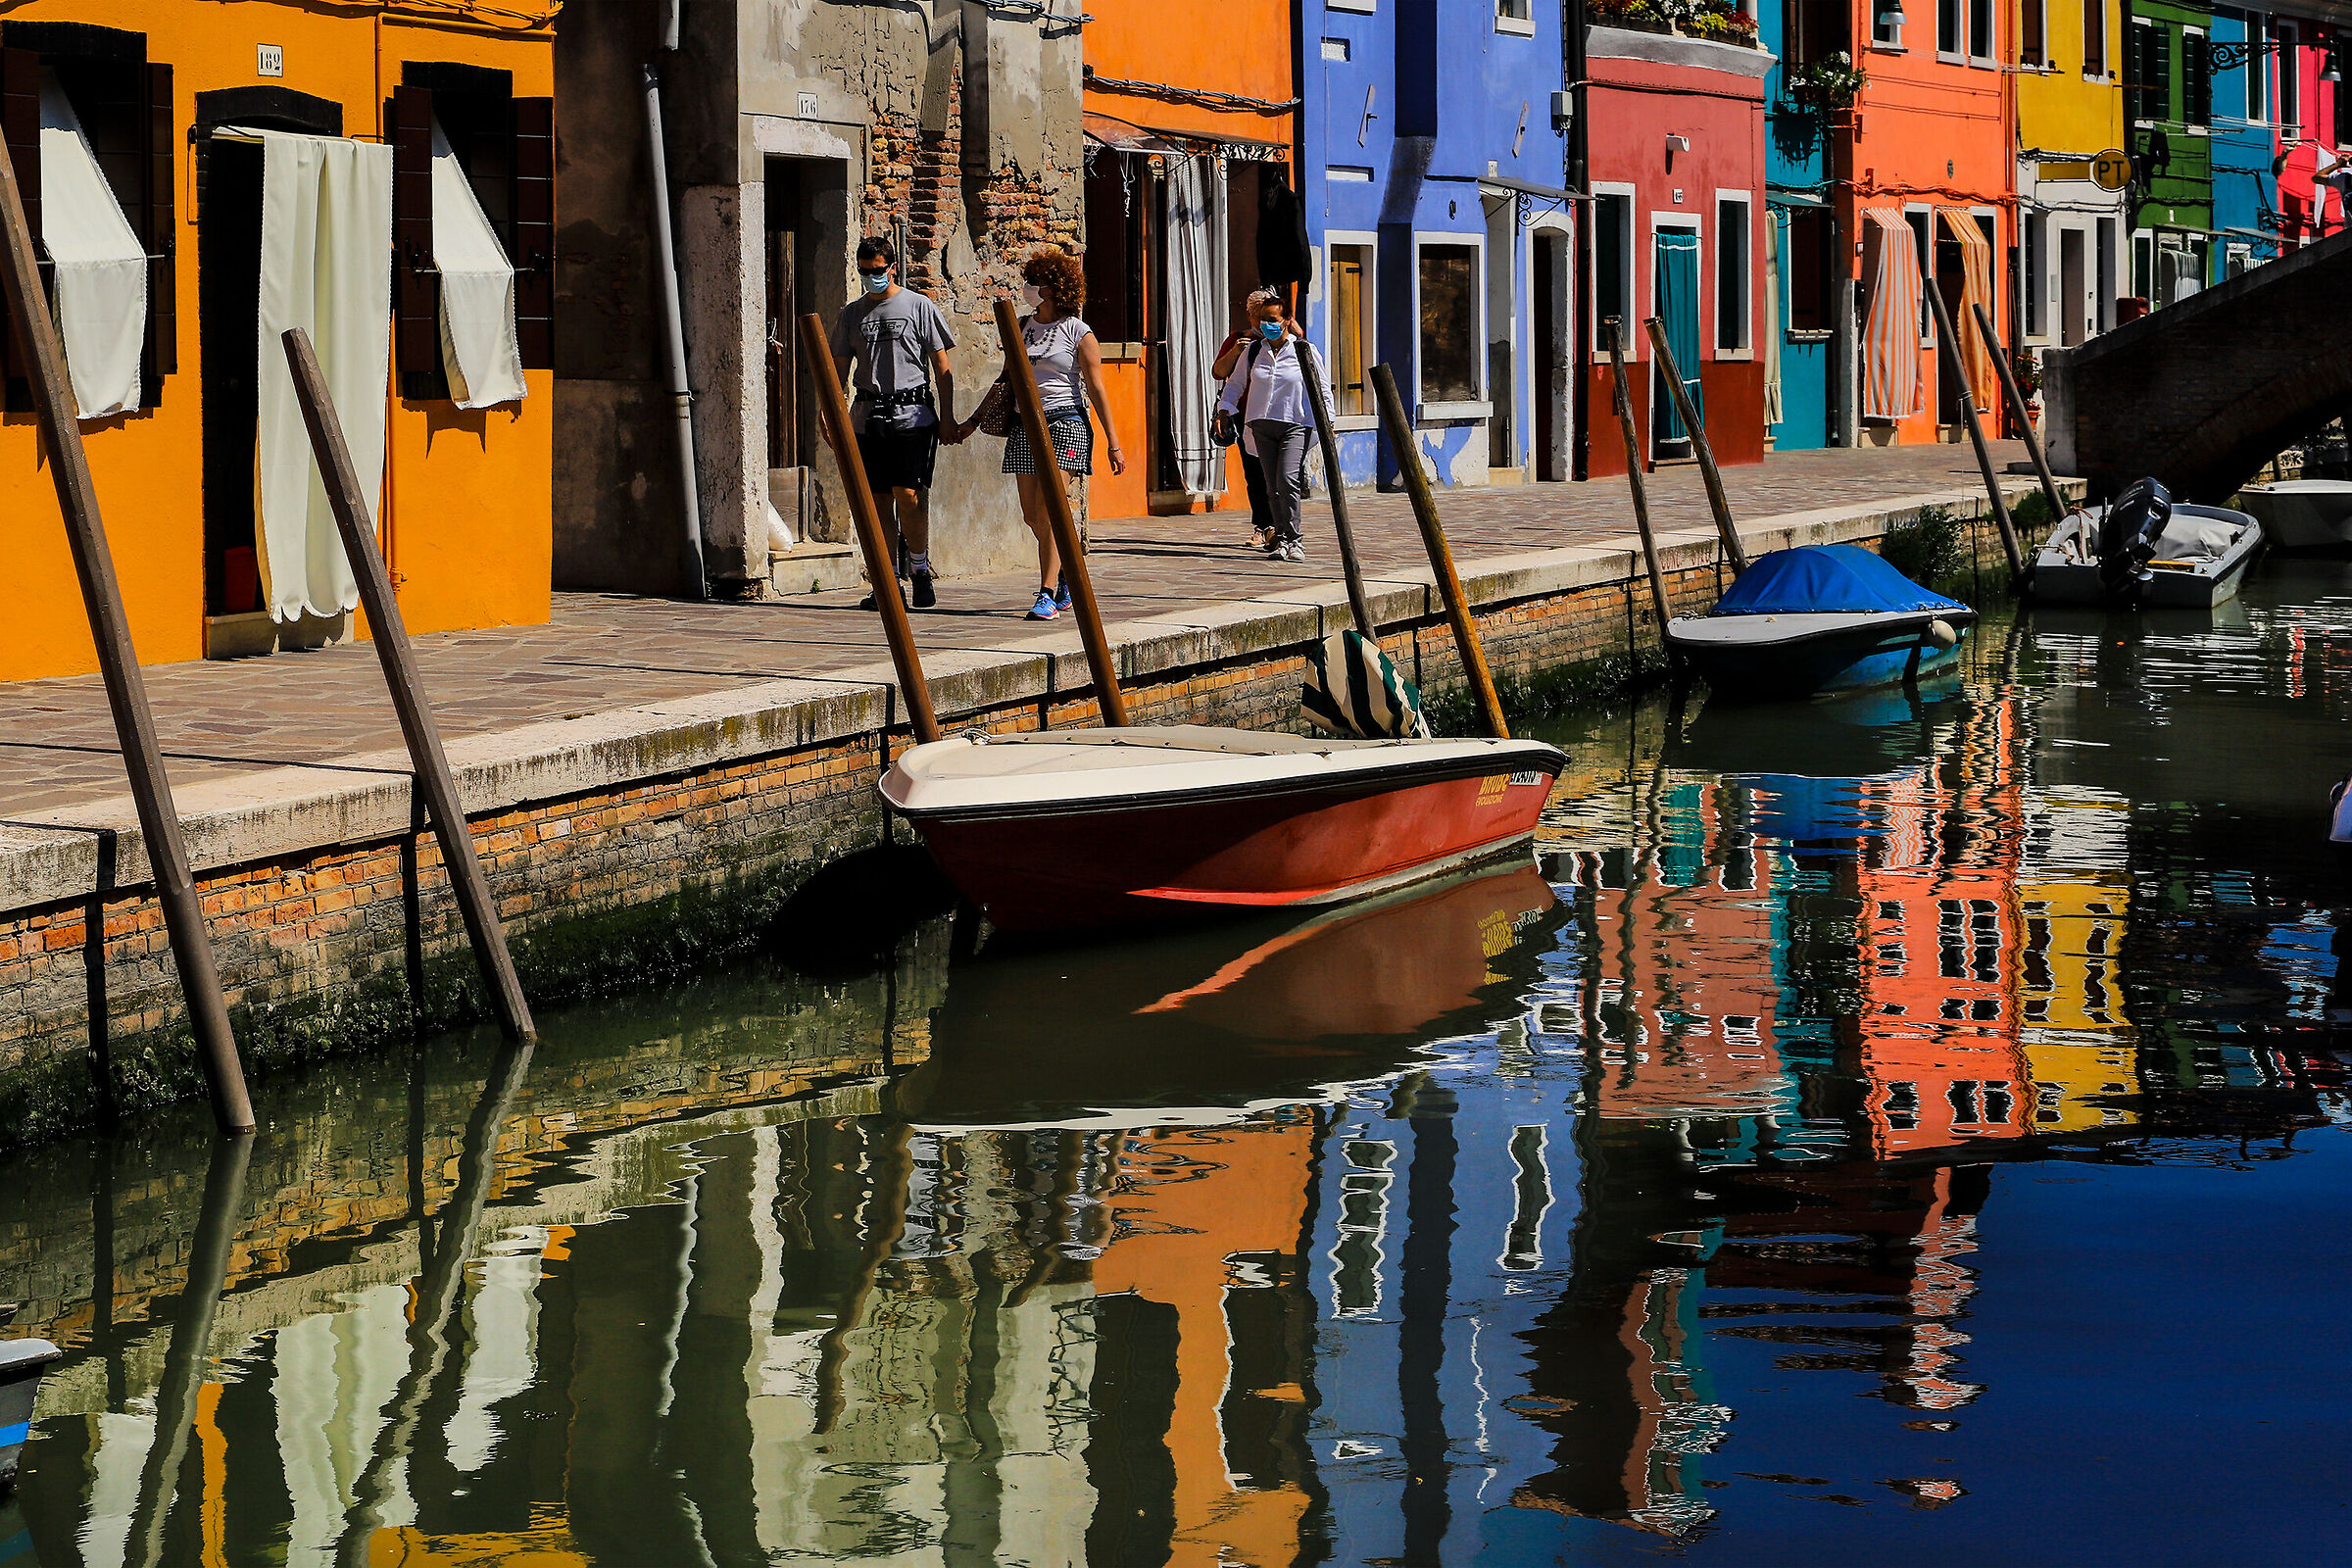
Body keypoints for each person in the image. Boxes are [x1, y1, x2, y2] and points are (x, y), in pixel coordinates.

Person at [954, 246, 1126, 620]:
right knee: (1031, 513)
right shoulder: (1024, 328)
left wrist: (1114, 442)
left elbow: (1096, 388)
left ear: (1054, 288)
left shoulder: (1079, 333)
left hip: (1065, 423)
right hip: (1025, 424)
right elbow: (1006, 379)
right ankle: (1062, 571)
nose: (1028, 288)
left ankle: (1046, 591)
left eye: (1035, 283)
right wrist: (973, 421)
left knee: (1050, 506)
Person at [828, 235, 958, 609]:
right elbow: (838, 370)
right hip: (868, 418)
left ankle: (918, 567)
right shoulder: (851, 314)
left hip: (912, 416)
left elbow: (942, 366)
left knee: (908, 495)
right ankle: (888, 582)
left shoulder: (919, 307)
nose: (873, 277)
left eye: (879, 271)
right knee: (878, 502)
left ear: (892, 267)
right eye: (866, 272)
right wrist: (831, 412)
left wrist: (947, 417)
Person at [1214, 292, 1324, 563]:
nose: (1267, 325)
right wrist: (1224, 410)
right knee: (1271, 486)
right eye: (1262, 319)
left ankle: (1295, 539)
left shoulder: (1303, 350)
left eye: (1272, 319)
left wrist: (1328, 421)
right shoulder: (1252, 350)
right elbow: (1234, 383)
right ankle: (1281, 538)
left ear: (1287, 320)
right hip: (1260, 424)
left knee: (1287, 479)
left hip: (1295, 423)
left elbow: (1321, 388)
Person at [1214, 309, 1274, 551]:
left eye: (1270, 317)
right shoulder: (1240, 341)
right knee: (1255, 473)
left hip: (1280, 417)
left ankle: (1282, 528)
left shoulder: (1290, 344)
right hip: (1247, 416)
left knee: (1279, 475)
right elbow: (1219, 373)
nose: (1263, 322)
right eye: (1258, 316)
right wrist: (1236, 351)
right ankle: (1264, 526)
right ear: (1249, 315)